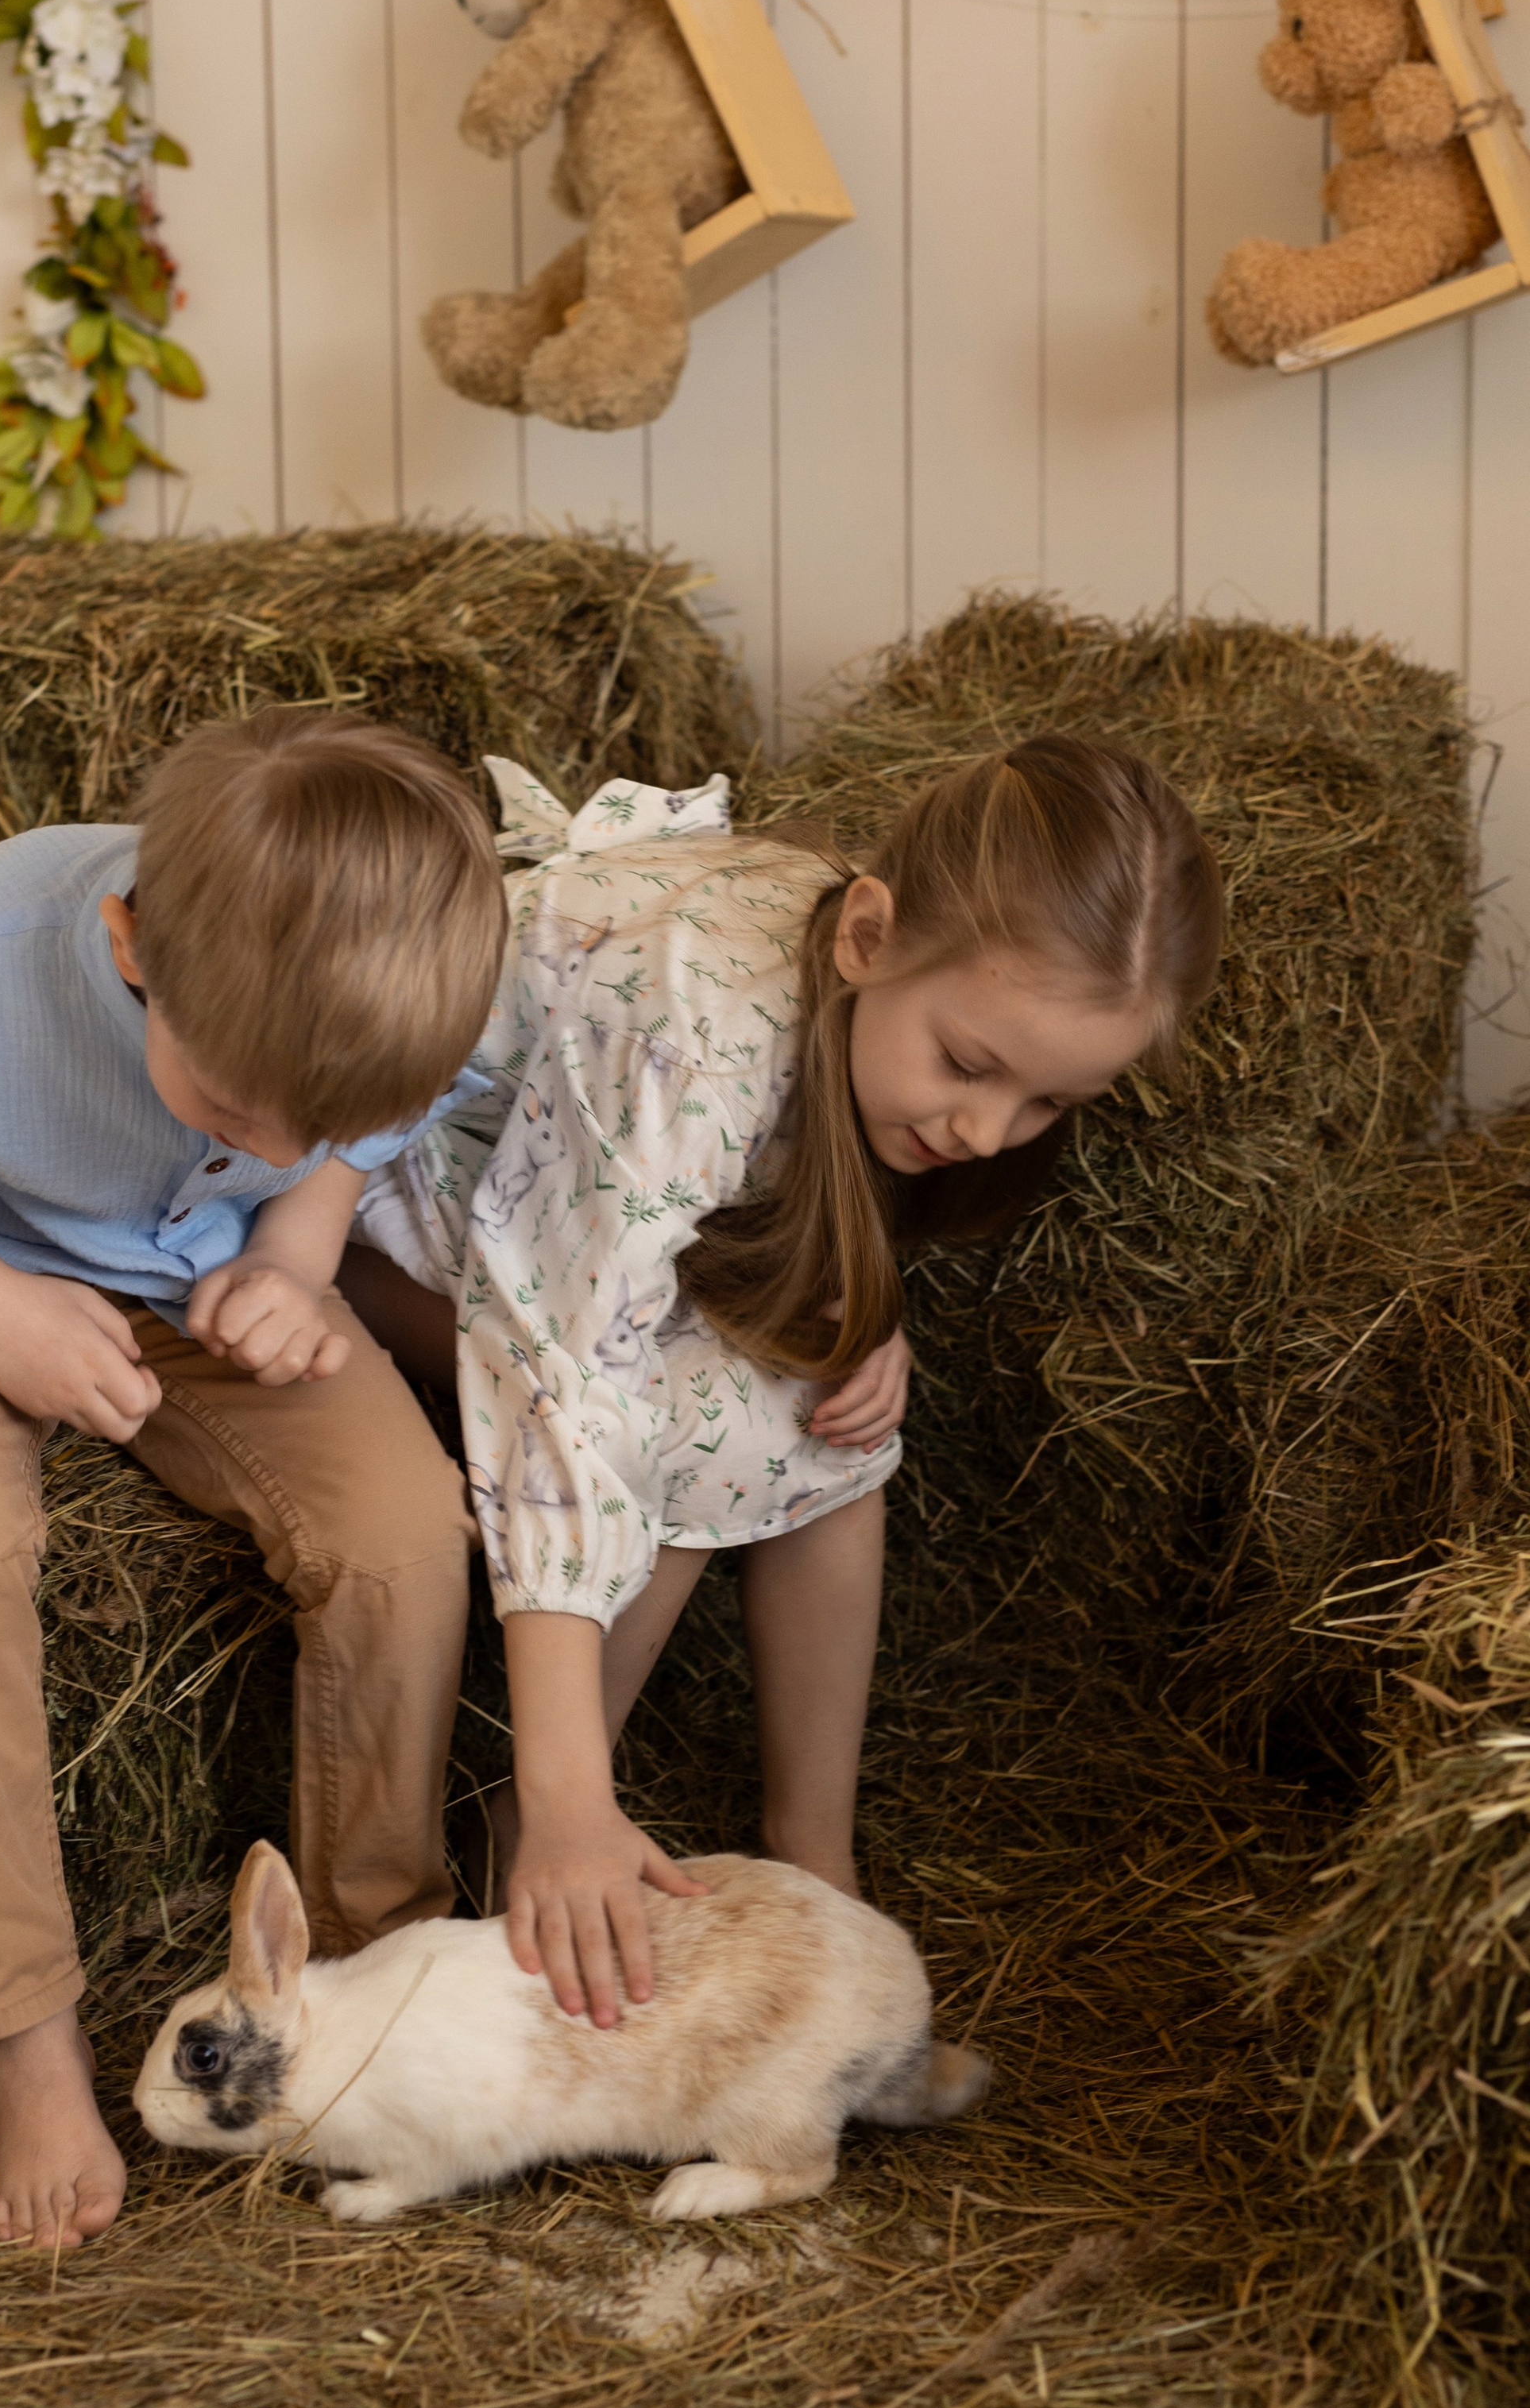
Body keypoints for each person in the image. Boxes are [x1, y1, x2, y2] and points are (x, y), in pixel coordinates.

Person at [0, 706, 506, 2251]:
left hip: (218, 1280)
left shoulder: (391, 1001)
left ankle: (372, 1966)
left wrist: (295, 1237)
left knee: (408, 1530)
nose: (283, 1138)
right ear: (130, 946)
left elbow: (378, 1126)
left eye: (322, 1123)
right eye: (235, 1113)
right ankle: (25, 2038)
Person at [342, 734, 1225, 2031]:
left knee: (825, 1420)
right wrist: (575, 1788)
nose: (984, 1134)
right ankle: (539, 1818)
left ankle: (818, 1859)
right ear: (865, 935)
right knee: (697, 1419)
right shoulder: (693, 1029)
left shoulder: (871, 987)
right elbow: (562, 1374)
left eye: (1050, 1104)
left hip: (577, 1189)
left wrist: (852, 1303)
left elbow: (761, 1173)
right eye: (972, 1068)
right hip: (379, 1187)